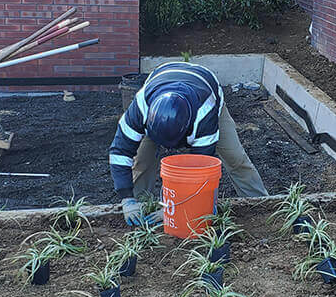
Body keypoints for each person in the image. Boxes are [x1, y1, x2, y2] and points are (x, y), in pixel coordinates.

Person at [110, 61, 268, 225]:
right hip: (162, 84)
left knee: (235, 158)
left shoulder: (204, 114)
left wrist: (174, 208)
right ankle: (138, 209)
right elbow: (119, 153)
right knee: (142, 161)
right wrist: (126, 198)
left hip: (204, 89)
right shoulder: (141, 108)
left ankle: (261, 207)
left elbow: (201, 168)